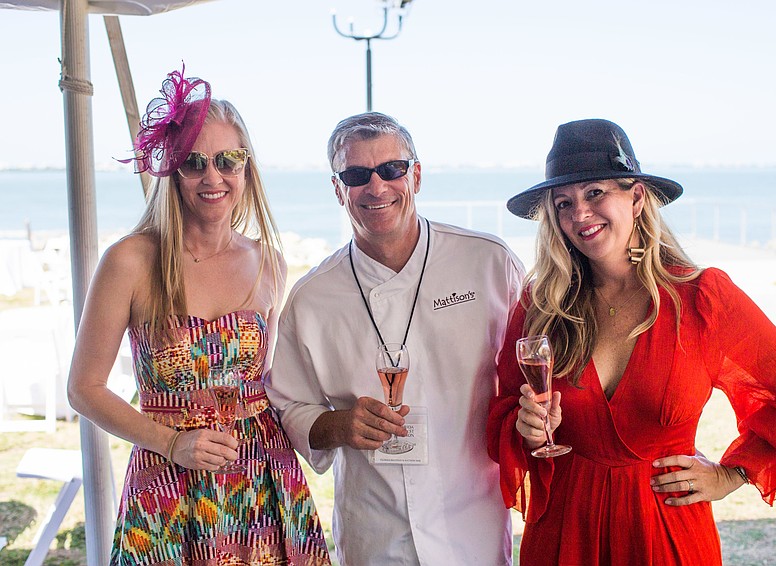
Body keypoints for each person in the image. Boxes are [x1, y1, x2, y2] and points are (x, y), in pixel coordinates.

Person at [486, 119, 776, 565]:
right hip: (563, 533)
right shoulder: (543, 305)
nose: (579, 214)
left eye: (596, 193)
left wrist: (731, 473)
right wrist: (527, 428)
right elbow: (500, 411)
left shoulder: (702, 299)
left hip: (667, 531)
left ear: (635, 198)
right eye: (564, 203)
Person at [66, 67, 330, 565]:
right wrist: (172, 444)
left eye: (228, 160)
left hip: (262, 477)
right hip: (169, 479)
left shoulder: (268, 261)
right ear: (172, 172)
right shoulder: (131, 260)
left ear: (247, 168)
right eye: (194, 162)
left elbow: (269, 381)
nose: (214, 177)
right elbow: (84, 388)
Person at [266, 112, 525, 565]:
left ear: (416, 176)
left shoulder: (488, 263)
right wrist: (340, 425)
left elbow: (534, 374)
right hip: (375, 535)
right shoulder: (311, 297)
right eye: (356, 175)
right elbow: (288, 406)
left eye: (392, 169)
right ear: (337, 188)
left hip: (473, 528)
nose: (377, 187)